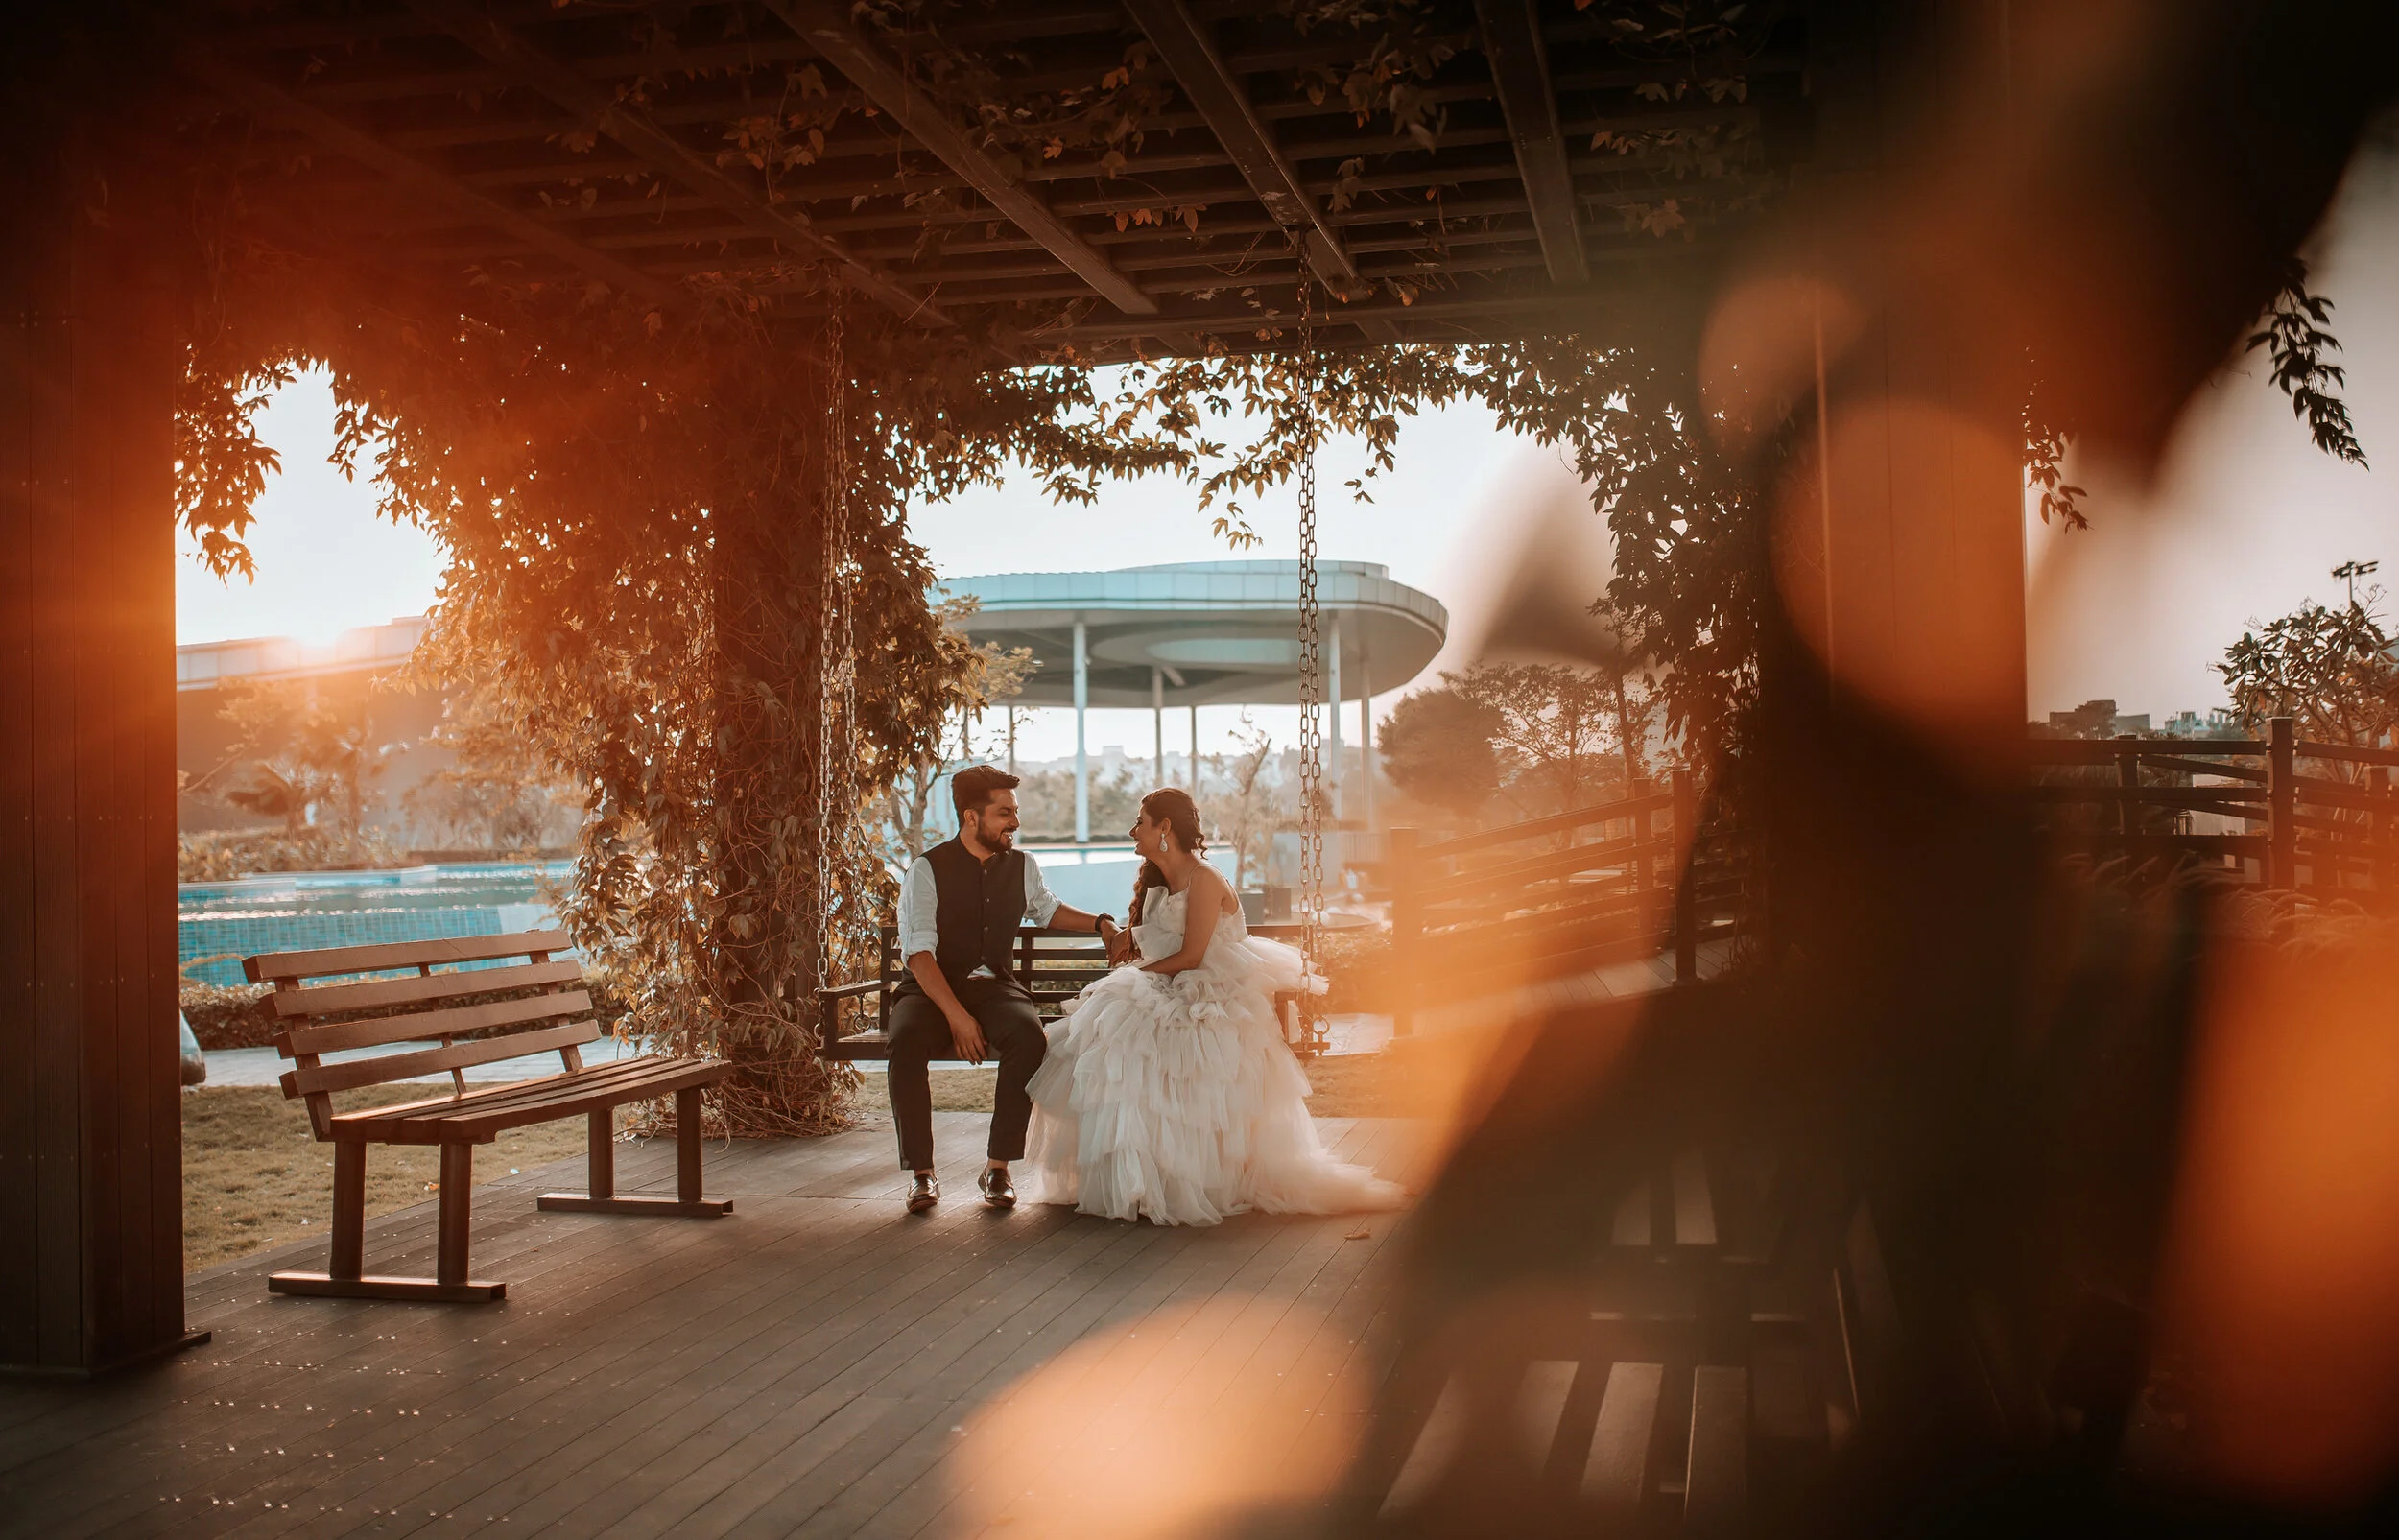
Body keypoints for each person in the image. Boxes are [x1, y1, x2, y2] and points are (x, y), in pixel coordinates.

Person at [1022, 788, 1406, 1226]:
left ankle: (1187, 1179)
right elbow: (1160, 945)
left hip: (1215, 995)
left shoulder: (1204, 878)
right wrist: (1122, 938)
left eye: (1140, 822)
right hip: (1171, 987)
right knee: (1103, 1038)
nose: (1133, 831)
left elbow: (1192, 956)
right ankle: (1141, 1178)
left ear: (1165, 828)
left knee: (1138, 1035)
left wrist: (1136, 977)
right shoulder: (1157, 881)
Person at [889, 766, 1126, 1214]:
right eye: (1004, 813)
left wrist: (1101, 923)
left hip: (994, 985)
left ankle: (997, 1168)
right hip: (931, 989)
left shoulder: (1022, 865)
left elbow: (1047, 909)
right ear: (971, 817)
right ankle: (922, 1174)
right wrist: (958, 1017)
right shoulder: (926, 869)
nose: (1015, 822)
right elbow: (919, 955)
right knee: (905, 1040)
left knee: (1028, 1037)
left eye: (1015, 811)